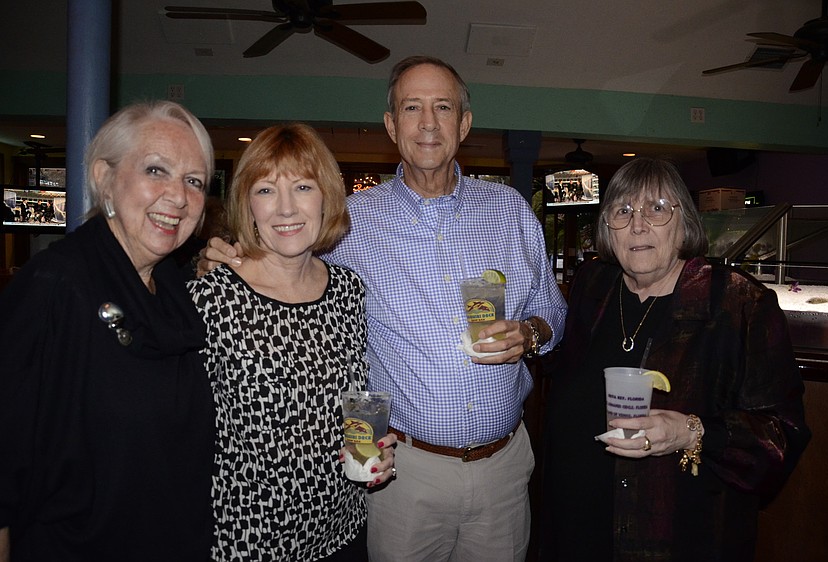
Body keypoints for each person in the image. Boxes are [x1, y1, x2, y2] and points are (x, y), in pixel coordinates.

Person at [199, 55, 567, 561]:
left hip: (504, 468)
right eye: (411, 107)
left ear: (464, 123)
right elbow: (286, 251)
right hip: (402, 474)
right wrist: (226, 255)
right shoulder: (350, 221)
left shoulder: (510, 212)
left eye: (443, 107)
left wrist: (531, 332)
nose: (428, 123)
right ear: (392, 126)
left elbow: (552, 309)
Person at [539, 157, 811, 561]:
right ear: (607, 228)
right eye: (623, 210)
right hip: (573, 530)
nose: (638, 224)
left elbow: (782, 434)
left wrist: (691, 432)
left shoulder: (737, 303)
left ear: (684, 222)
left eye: (657, 208)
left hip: (676, 537)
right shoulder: (594, 286)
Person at [0, 100, 216, 561]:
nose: (178, 196)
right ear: (104, 178)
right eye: (157, 170)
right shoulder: (56, 285)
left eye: (194, 181)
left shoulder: (173, 285)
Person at [187, 123, 397, 562]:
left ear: (326, 198)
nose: (285, 208)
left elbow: (353, 400)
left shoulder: (346, 290)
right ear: (247, 203)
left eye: (303, 186)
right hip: (246, 539)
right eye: (265, 190)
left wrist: (373, 448)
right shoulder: (212, 296)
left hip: (341, 530)